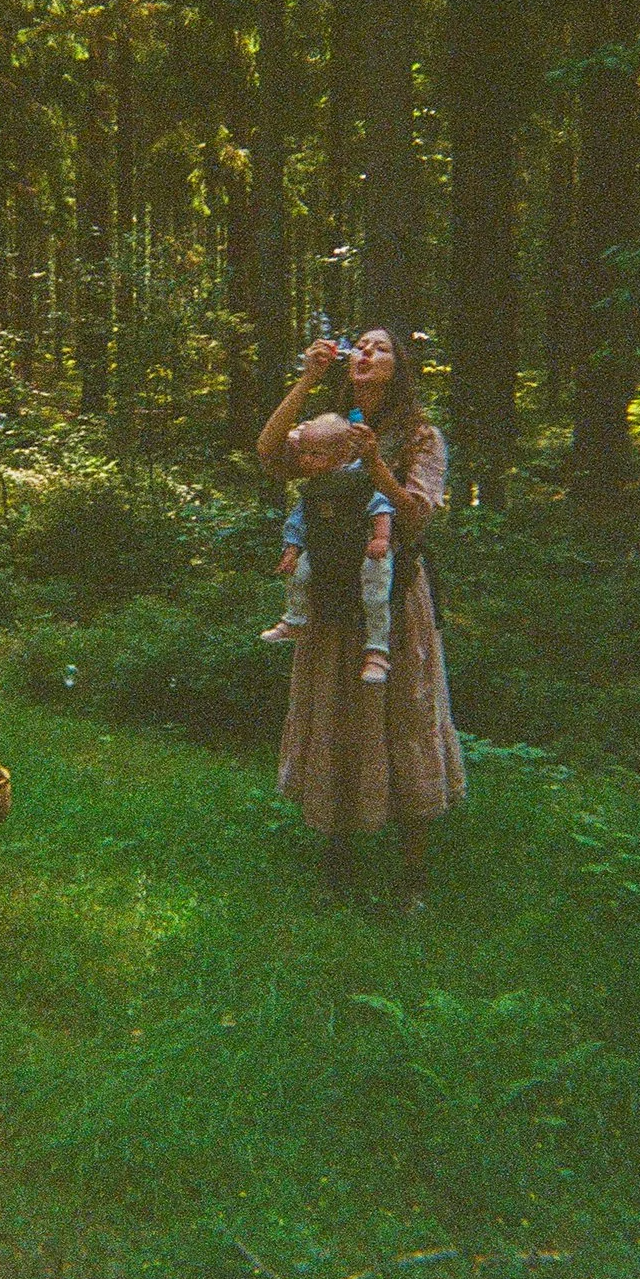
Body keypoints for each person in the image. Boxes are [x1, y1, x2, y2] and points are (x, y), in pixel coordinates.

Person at [255, 327, 462, 912]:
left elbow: (417, 518)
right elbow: (271, 455)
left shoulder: (420, 436)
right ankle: (336, 856)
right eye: (361, 347)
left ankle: (413, 873)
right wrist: (305, 381)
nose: (367, 353)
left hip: (390, 599)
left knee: (403, 717)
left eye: (383, 347)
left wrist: (374, 463)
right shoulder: (331, 425)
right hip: (329, 597)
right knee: (338, 713)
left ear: (401, 367)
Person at [259, 411, 399, 684]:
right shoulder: (314, 485)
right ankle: (295, 619)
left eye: (317, 454)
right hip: (327, 547)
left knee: (375, 593)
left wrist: (381, 538)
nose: (307, 460)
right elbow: (300, 518)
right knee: (299, 575)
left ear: (342, 453)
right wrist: (291, 550)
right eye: (305, 453)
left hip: (364, 547)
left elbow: (381, 506)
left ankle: (377, 651)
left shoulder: (359, 478)